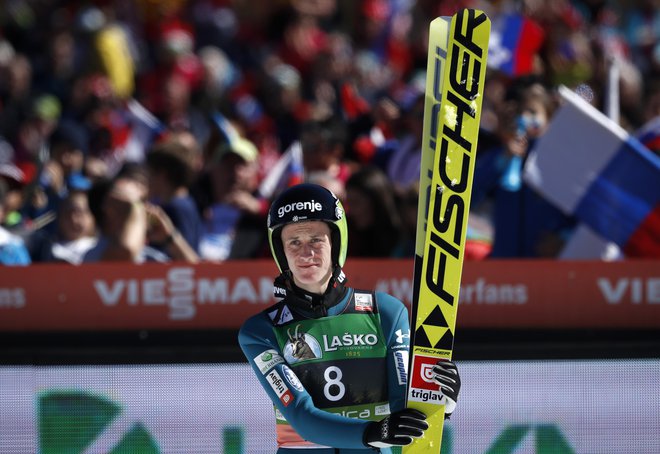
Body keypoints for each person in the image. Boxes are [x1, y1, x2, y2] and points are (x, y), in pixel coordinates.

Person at [238, 183, 461, 452]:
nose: (305, 253)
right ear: (281, 252)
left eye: (316, 240)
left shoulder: (386, 313)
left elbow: (404, 406)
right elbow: (301, 417)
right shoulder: (261, 331)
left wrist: (439, 403)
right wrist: (372, 432)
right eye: (294, 242)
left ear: (336, 243)